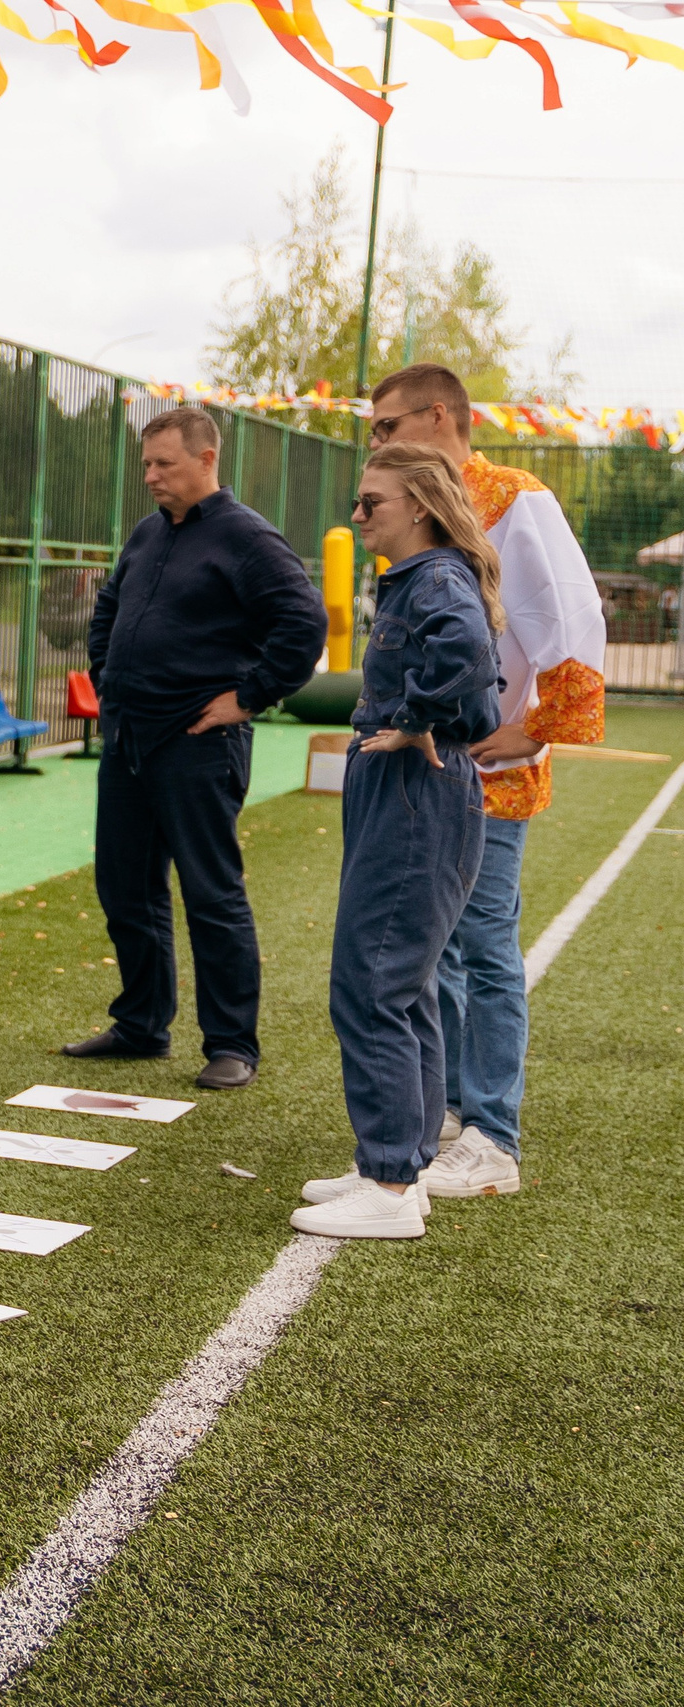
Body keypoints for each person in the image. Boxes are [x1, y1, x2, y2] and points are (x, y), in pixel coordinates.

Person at [360, 362, 605, 1202]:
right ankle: (442, 1116)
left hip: (484, 765)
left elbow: (570, 620)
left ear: (440, 416)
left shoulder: (515, 497)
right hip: (430, 763)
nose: (378, 442)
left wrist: (521, 731)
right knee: (430, 951)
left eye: (388, 426)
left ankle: (491, 1129)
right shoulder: (418, 505)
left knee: (484, 945)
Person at [69, 407, 326, 1089]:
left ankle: (232, 1043)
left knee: (212, 893)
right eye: (146, 463)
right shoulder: (148, 533)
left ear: (207, 459)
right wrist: (109, 678)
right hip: (128, 737)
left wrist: (247, 697)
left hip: (198, 744)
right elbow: (108, 609)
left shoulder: (248, 538)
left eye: (165, 464)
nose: (150, 475)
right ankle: (141, 1025)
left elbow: (304, 624)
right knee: (125, 888)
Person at [293, 444, 504, 1239]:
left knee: (374, 981)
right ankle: (400, 1166)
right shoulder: (428, 576)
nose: (356, 515)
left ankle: (386, 1184)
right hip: (415, 787)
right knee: (403, 985)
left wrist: (414, 718)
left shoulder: (438, 577)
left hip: (416, 789)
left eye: (370, 502)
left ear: (418, 504)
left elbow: (468, 657)